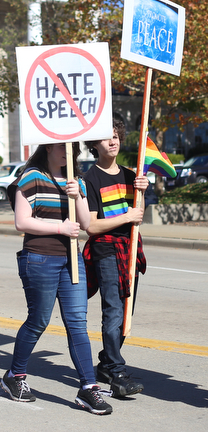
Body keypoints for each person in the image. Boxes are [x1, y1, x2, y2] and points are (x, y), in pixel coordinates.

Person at [0, 142, 113, 415]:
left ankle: (88, 388)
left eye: (72, 149)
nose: (68, 153)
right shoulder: (32, 177)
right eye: (62, 147)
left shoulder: (76, 181)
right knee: (38, 320)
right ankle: (15, 375)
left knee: (77, 323)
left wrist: (78, 196)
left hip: (72, 261)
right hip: (39, 258)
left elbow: (86, 224)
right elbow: (22, 222)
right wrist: (59, 227)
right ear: (49, 148)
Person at [83, 119, 148, 398]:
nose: (113, 142)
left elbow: (138, 217)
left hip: (129, 249)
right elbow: (91, 226)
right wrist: (126, 216)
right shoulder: (90, 179)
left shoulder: (131, 175)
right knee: (113, 311)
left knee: (126, 313)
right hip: (106, 249)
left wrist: (141, 192)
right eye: (106, 138)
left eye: (116, 136)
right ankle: (117, 374)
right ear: (94, 145)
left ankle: (106, 363)